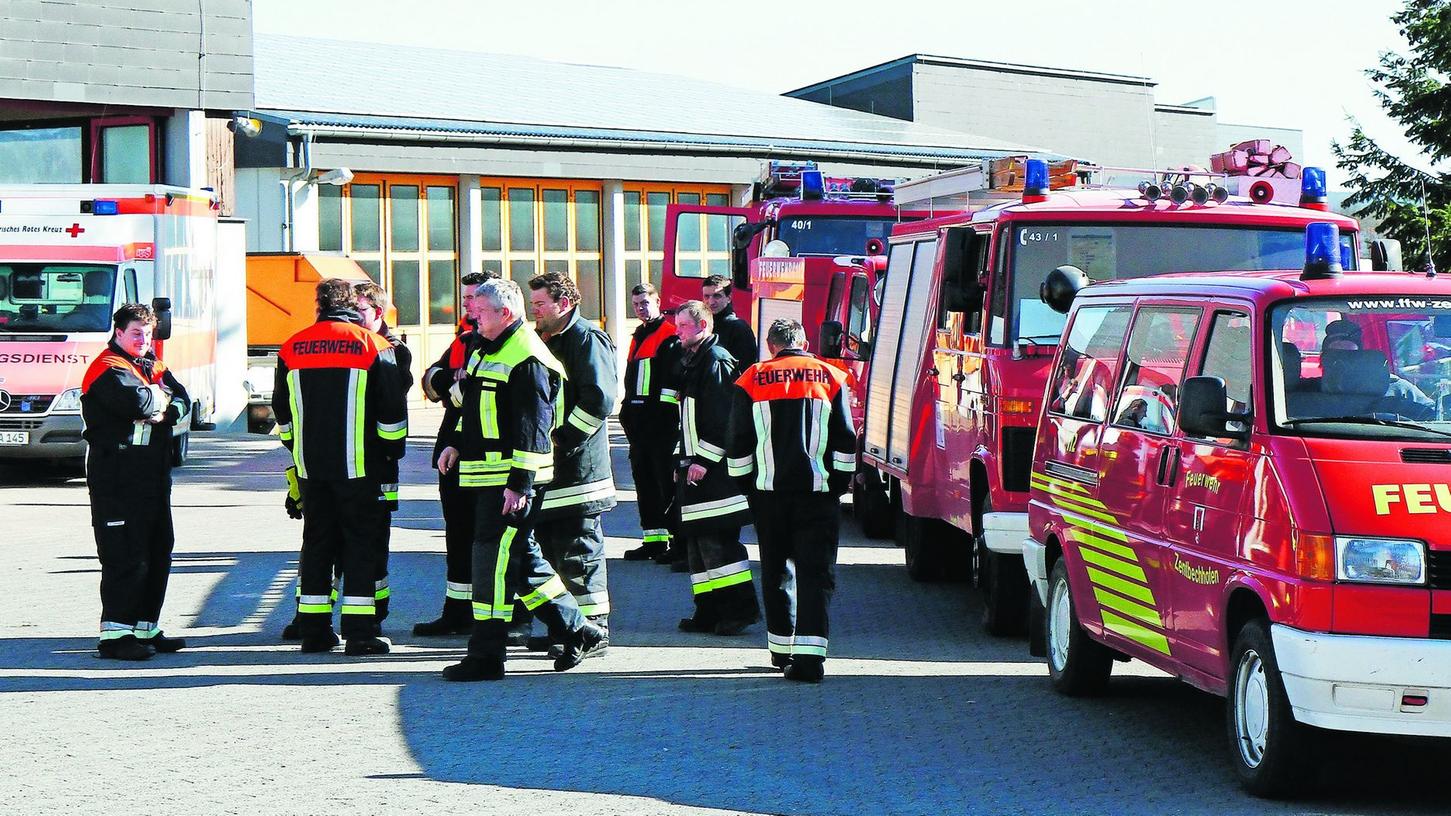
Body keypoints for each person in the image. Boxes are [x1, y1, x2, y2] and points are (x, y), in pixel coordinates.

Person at [436, 277, 603, 681]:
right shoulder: (485, 347)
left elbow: (533, 426)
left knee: (490, 562)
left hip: (509, 481)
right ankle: (577, 628)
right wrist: (455, 441)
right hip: (486, 475)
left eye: (480, 311)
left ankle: (486, 655)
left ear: (505, 314)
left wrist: (519, 485)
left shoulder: (527, 356)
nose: (472, 316)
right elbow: (470, 404)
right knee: (521, 560)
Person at [273, 278, 408, 656]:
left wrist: (295, 446)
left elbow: (281, 409)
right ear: (351, 305)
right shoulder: (373, 345)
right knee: (360, 545)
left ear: (319, 306)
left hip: (311, 468)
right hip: (362, 467)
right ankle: (360, 632)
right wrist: (390, 452)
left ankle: (314, 630)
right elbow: (392, 412)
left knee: (317, 543)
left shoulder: (292, 347)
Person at [731, 321, 857, 682]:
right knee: (816, 574)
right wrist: (839, 484)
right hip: (818, 494)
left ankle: (781, 648)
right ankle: (810, 658)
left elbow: (738, 440)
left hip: (769, 495)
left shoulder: (751, 378)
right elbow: (846, 438)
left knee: (775, 571)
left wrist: (747, 486)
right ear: (803, 342)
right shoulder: (831, 376)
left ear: (771, 346)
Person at [81, 303, 192, 660]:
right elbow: (139, 402)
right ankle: (115, 635)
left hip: (152, 475)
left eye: (147, 334)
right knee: (125, 554)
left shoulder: (151, 365)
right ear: (118, 333)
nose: (143, 340)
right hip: (117, 475)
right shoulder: (107, 368)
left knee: (158, 549)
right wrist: (159, 402)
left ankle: (146, 626)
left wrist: (163, 407)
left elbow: (184, 400)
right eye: (135, 333)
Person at [522, 272, 618, 653]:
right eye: (533, 305)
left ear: (564, 303)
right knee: (550, 550)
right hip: (552, 469)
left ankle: (593, 630)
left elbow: (598, 400)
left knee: (579, 553)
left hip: (580, 471)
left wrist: (562, 440)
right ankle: (565, 627)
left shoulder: (586, 339)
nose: (535, 311)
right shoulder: (544, 338)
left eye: (541, 304)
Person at [670, 299, 760, 636]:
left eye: (683, 327)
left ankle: (739, 611)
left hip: (716, 475)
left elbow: (725, 418)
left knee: (718, 545)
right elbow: (690, 422)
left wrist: (704, 460)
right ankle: (708, 611)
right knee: (697, 546)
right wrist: (682, 461)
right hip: (695, 472)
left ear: (703, 326)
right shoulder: (695, 361)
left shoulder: (717, 361)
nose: (677, 333)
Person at [413, 272, 489, 636]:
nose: (467, 305)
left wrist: (450, 384)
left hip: (481, 453)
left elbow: (470, 394)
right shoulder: (464, 339)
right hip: (452, 451)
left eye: (473, 298)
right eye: (465, 299)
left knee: (484, 537)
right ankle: (457, 611)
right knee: (457, 535)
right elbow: (429, 381)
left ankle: (492, 616)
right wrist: (449, 381)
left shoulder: (495, 341)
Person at [354, 281, 414, 626]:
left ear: (377, 313)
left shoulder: (392, 350)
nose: (353, 319)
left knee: (374, 538)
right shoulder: (351, 345)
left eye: (360, 311)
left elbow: (392, 406)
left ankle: (374, 612)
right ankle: (311, 616)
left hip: (378, 462)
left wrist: (391, 452)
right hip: (347, 458)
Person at [619, 283, 682, 564]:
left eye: (645, 302)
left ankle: (676, 541)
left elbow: (669, 385)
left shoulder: (668, 335)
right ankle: (654, 541)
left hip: (659, 426)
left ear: (657, 301)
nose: (641, 308)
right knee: (645, 484)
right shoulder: (640, 335)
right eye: (636, 304)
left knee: (665, 485)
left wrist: (662, 421)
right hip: (640, 425)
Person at [701, 274, 757, 366]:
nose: (711, 302)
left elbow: (746, 368)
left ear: (729, 298)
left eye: (717, 296)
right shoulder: (702, 324)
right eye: (706, 296)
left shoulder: (739, 328)